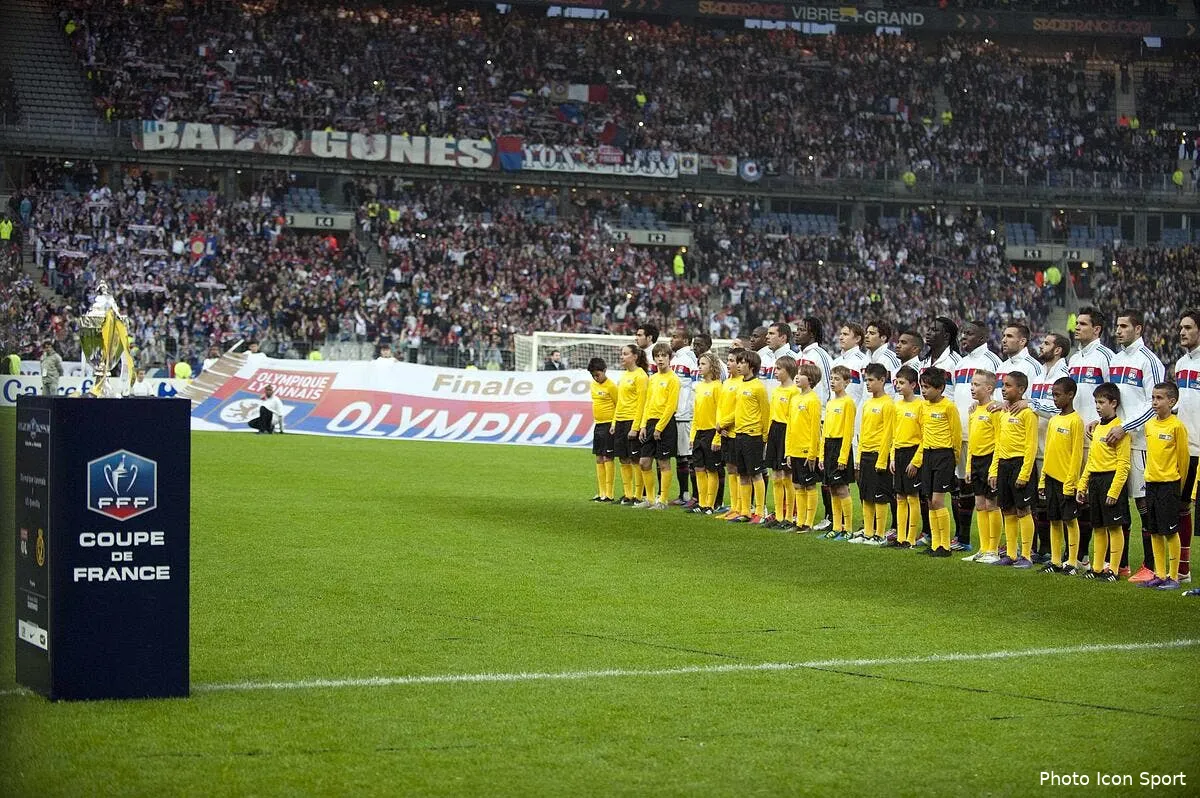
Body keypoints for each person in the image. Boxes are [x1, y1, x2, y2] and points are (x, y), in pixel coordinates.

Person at [1105, 309, 1166, 582]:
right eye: (1117, 326)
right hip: (1116, 440)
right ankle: (1120, 564)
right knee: (1116, 501)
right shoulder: (1115, 360)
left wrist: (1126, 428)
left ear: (1138, 330)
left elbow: (1152, 404)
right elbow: (1111, 399)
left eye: (1124, 326)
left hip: (1139, 442)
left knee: (1143, 503)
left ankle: (1151, 565)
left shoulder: (1149, 361)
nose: (1118, 330)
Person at [952, 321, 1003, 553]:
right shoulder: (961, 363)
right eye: (963, 333)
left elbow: (999, 399)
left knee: (991, 499)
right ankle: (965, 539)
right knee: (964, 487)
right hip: (965, 433)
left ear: (982, 337)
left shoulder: (992, 361)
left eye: (969, 333)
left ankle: (995, 545)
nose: (964, 337)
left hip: (988, 441)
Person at [1076, 383, 1131, 582]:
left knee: (1114, 527)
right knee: (1098, 526)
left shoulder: (1120, 430)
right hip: (1095, 481)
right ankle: (1097, 568)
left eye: (1102, 402)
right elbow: (1091, 460)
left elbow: (1124, 464)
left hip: (1111, 480)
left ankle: (1114, 570)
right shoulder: (1097, 428)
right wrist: (1083, 485)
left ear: (1114, 403)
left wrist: (1114, 491)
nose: (1098, 406)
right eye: (1096, 402)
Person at [1139, 382, 1189, 590]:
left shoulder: (1176, 426)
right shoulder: (1149, 425)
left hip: (1169, 485)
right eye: (1153, 398)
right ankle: (1159, 574)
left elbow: (1183, 460)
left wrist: (1179, 484)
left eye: (1159, 398)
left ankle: (1174, 576)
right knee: (1155, 530)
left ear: (1172, 401)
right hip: (1151, 483)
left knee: (1170, 531)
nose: (1155, 402)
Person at [989, 373, 1039, 568]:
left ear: (1021, 390)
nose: (1003, 388)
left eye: (1008, 386)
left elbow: (1031, 445)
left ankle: (1026, 555)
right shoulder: (1003, 413)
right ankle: (1010, 554)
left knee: (1023, 509)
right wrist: (994, 470)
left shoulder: (1028, 413)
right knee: (1007, 509)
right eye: (1003, 385)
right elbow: (998, 443)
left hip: (1020, 464)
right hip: (1003, 464)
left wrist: (1025, 473)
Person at [1038, 377, 1084, 574]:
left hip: (1066, 480)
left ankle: (1072, 562)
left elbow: (1077, 455)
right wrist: (1042, 478)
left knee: (1070, 521)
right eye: (1053, 395)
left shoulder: (1076, 421)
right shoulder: (1054, 420)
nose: (1054, 399)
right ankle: (1056, 562)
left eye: (1058, 395)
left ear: (1070, 395)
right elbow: (1048, 451)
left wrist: (1071, 482)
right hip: (1051, 478)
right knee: (1054, 520)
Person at [914, 367, 961, 557]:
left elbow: (956, 435)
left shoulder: (948, 407)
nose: (923, 391)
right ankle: (935, 543)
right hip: (928, 454)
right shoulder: (923, 407)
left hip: (944, 456)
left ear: (940, 388)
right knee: (929, 501)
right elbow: (923, 434)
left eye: (927, 387)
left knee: (937, 500)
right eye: (922, 387)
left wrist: (953, 459)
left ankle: (945, 546)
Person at [723, 350, 770, 523]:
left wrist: (764, 436)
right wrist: (723, 423)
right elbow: (738, 411)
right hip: (739, 434)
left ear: (751, 366)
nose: (739, 365)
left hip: (753, 435)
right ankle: (745, 511)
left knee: (756, 474)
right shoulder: (740, 385)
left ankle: (759, 512)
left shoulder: (758, 387)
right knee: (742, 473)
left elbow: (765, 412)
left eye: (742, 363)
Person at [853, 363, 895, 546]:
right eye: (866, 380)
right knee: (866, 494)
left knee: (879, 495)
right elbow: (863, 431)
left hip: (879, 454)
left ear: (882, 380)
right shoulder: (868, 403)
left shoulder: (888, 404)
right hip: (865, 454)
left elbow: (888, 433)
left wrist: (882, 457)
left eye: (871, 380)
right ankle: (868, 532)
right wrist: (858, 456)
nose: (867, 384)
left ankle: (879, 534)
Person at [963, 371, 1002, 564]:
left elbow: (999, 440)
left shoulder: (994, 411)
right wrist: (969, 467)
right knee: (979, 505)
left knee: (991, 504)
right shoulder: (973, 411)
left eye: (977, 384)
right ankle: (983, 548)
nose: (972, 387)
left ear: (989, 388)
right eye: (972, 384)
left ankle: (993, 550)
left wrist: (994, 469)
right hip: (976, 462)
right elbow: (972, 441)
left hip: (990, 460)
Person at [636, 343, 680, 510]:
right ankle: (650, 498)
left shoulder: (673, 379)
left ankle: (663, 500)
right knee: (644, 462)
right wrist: (643, 426)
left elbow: (671, 406)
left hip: (666, 424)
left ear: (669, 358)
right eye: (657, 356)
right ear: (653, 358)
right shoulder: (653, 378)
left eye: (664, 356)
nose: (660, 359)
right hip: (650, 423)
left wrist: (659, 427)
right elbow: (647, 403)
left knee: (663, 463)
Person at [1173, 310, 1199, 585]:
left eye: (1188, 327)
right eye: (1181, 327)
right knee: (1181, 508)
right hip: (1185, 450)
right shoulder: (1180, 364)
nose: (1182, 332)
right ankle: (1183, 568)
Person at [821, 365, 857, 540]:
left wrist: (843, 456)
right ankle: (836, 527)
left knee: (842, 488)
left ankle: (848, 528)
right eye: (832, 379)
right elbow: (825, 429)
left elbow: (848, 431)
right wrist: (822, 455)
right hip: (828, 446)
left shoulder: (848, 402)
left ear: (847, 382)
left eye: (837, 379)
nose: (833, 382)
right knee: (832, 489)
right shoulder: (830, 402)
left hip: (840, 447)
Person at [786, 363, 823, 531]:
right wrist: (788, 451)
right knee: (798, 486)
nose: (797, 377)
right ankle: (799, 521)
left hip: (807, 451)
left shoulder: (813, 400)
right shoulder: (795, 398)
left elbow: (815, 429)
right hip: (794, 449)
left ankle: (808, 522)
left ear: (811, 379)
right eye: (797, 374)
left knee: (809, 486)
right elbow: (790, 427)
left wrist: (813, 453)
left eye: (801, 374)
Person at [890, 366, 924, 548]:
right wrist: (893, 457)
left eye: (902, 383)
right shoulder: (897, 405)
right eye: (897, 382)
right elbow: (894, 434)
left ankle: (911, 538)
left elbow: (925, 435)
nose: (898, 386)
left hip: (913, 453)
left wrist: (916, 461)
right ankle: (900, 537)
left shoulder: (920, 406)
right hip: (900, 453)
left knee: (912, 496)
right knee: (900, 497)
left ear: (913, 384)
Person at [611, 344, 649, 505]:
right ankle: (627, 494)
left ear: (635, 357)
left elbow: (642, 403)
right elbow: (619, 402)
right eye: (622, 354)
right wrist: (614, 421)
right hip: (620, 421)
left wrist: (636, 427)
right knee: (623, 459)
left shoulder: (641, 376)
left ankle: (638, 495)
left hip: (632, 420)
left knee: (635, 459)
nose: (622, 357)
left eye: (625, 354)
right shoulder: (624, 376)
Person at [765, 355, 798, 527]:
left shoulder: (794, 391)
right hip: (775, 431)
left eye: (779, 369)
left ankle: (790, 516)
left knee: (787, 475)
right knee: (776, 475)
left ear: (789, 370)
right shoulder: (776, 390)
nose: (775, 372)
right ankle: (778, 515)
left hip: (787, 431)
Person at [689, 352, 723, 515]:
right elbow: (696, 413)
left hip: (711, 432)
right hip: (699, 432)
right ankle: (702, 503)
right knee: (699, 468)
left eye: (703, 364)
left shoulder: (718, 386)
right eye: (699, 364)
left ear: (712, 366)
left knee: (711, 469)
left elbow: (720, 413)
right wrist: (692, 435)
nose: (700, 367)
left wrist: (717, 436)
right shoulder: (699, 386)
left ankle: (710, 504)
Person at [668, 327, 699, 507]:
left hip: (685, 415)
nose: (672, 340)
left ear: (685, 341)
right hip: (676, 413)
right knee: (680, 456)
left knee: (686, 456)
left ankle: (691, 496)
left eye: (675, 337)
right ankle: (685, 495)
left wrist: (690, 411)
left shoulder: (689, 359)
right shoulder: (676, 359)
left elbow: (695, 386)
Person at [717, 348, 744, 518]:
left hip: (735, 431)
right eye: (728, 360)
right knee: (731, 469)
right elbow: (720, 406)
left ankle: (741, 507)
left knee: (739, 470)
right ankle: (734, 506)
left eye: (733, 360)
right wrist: (719, 426)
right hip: (724, 431)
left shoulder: (742, 383)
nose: (729, 363)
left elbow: (739, 410)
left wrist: (725, 424)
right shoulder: (726, 383)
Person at [588, 357, 617, 503]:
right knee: (599, 457)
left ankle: (610, 494)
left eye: (598, 375)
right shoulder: (593, 385)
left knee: (608, 457)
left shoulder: (611, 386)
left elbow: (618, 405)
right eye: (593, 375)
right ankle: (601, 492)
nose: (595, 378)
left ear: (605, 371)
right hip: (598, 425)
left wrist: (614, 424)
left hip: (609, 426)